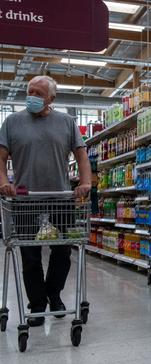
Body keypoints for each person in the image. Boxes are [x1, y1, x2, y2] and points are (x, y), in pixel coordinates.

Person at [0, 75, 91, 327]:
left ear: (51, 98)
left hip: (60, 198)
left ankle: (54, 294)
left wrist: (85, 182)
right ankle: (37, 303)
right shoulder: (11, 122)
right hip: (25, 199)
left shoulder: (66, 122)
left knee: (62, 251)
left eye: (39, 93)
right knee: (30, 255)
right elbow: (0, 157)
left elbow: (81, 156)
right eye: (30, 91)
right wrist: (2, 182)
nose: (33, 97)